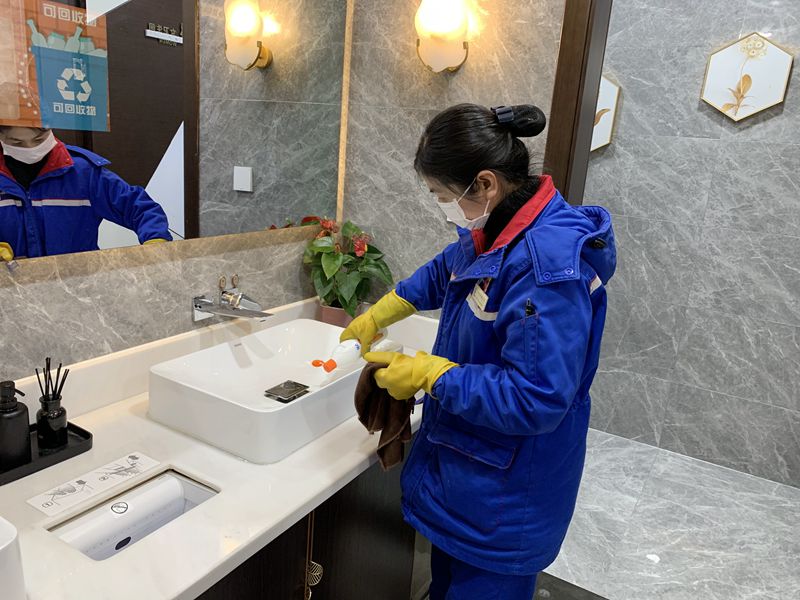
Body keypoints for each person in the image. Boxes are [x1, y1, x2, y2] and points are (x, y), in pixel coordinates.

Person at [341, 103, 616, 599]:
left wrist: (433, 375)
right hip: (469, 478)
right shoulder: (501, 227)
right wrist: (386, 308)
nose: (443, 206)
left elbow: (537, 397)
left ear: (484, 183)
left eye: (443, 195)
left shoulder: (545, 269)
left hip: (508, 499)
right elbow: (451, 267)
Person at [0, 126, 171, 260]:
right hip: (12, 289)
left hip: (79, 283)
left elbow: (139, 208)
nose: (31, 148)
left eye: (39, 139)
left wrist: (156, 240)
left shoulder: (83, 173)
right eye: (17, 143)